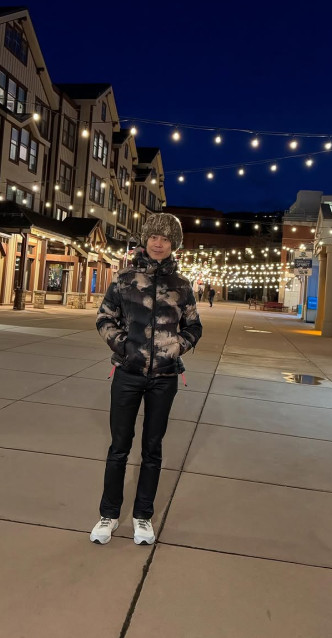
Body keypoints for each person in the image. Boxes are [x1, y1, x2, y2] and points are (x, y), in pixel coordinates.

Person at [90, 213, 203, 546]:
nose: (158, 243)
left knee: (153, 448)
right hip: (127, 373)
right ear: (146, 239)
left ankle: (143, 516)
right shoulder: (124, 280)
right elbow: (105, 318)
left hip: (164, 378)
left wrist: (176, 346)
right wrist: (124, 347)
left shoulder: (181, 286)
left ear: (173, 245)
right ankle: (108, 514)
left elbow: (194, 326)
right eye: (154, 237)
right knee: (119, 447)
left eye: (166, 239)